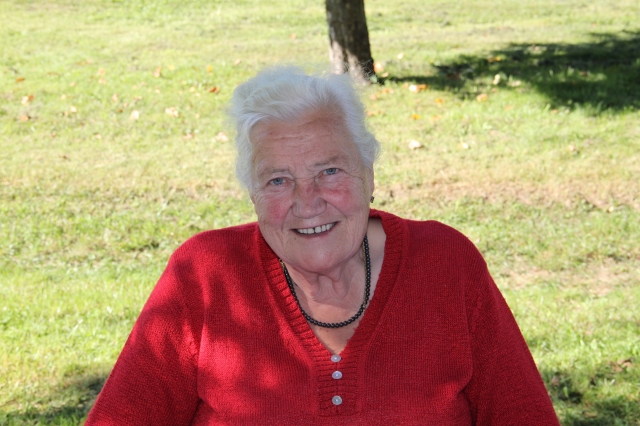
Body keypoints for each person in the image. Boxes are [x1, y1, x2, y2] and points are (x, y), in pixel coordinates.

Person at [86, 66, 559, 425]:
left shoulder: (445, 263)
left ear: (368, 174)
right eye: (278, 180)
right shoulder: (205, 275)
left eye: (329, 171)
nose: (307, 202)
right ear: (252, 193)